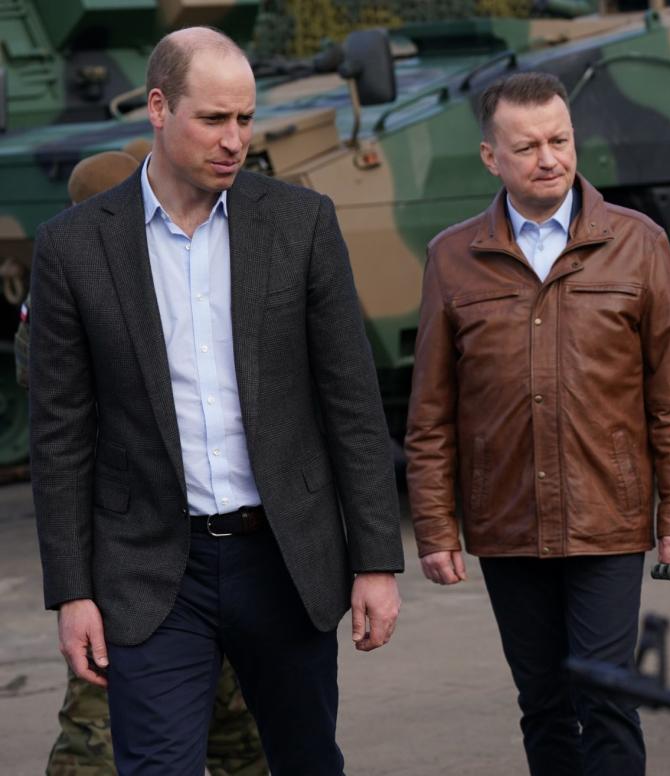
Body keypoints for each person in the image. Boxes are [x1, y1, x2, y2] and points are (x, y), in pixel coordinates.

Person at [28, 26, 404, 775]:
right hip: (150, 570)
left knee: (303, 762)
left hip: (284, 559)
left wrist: (376, 563)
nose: (234, 139)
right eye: (213, 119)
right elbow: (61, 437)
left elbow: (353, 406)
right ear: (159, 110)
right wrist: (72, 592)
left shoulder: (300, 223)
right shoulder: (74, 248)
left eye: (245, 119)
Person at [405, 71, 670, 776]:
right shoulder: (453, 258)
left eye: (560, 140)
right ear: (492, 158)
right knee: (541, 701)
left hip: (609, 514)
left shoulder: (638, 243)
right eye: (529, 145)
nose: (549, 157)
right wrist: (434, 525)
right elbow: (430, 413)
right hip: (506, 520)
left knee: (606, 697)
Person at [25, 149, 266, 776]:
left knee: (219, 722)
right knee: (110, 723)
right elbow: (60, 420)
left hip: (179, 537)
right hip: (138, 547)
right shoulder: (75, 276)